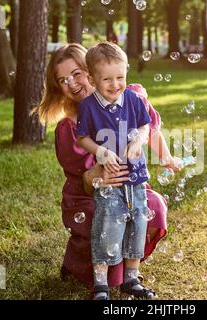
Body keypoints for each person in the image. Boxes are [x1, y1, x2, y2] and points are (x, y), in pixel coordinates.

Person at [36, 43, 181, 299]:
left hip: (126, 184)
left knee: (152, 207)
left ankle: (129, 269)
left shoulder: (130, 97)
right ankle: (76, 261)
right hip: (87, 194)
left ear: (90, 71)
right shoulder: (69, 127)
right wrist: (97, 173)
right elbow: (84, 179)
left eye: (76, 73)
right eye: (63, 80)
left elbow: (150, 128)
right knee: (104, 223)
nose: (72, 83)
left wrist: (167, 157)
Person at [76, 42, 155, 300]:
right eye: (107, 79)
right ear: (92, 78)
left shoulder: (133, 100)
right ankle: (100, 282)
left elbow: (145, 126)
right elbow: (82, 137)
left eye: (120, 77)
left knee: (137, 225)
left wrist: (138, 141)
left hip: (136, 177)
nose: (115, 84)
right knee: (108, 226)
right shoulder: (88, 106)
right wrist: (100, 152)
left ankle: (131, 279)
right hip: (109, 181)